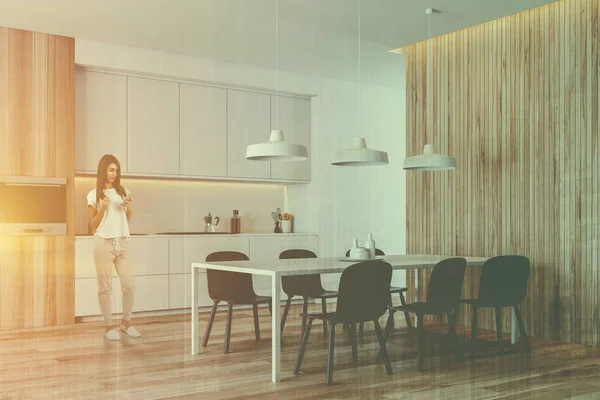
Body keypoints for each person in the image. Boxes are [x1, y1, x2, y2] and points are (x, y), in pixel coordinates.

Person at [87, 154, 141, 341]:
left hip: (123, 242)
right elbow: (93, 224)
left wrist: (130, 207)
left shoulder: (123, 191)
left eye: (116, 170)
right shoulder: (93, 194)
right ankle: (109, 326)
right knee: (105, 287)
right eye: (111, 169)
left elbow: (126, 220)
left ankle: (126, 323)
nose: (114, 173)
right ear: (103, 170)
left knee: (129, 285)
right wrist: (102, 208)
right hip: (103, 242)